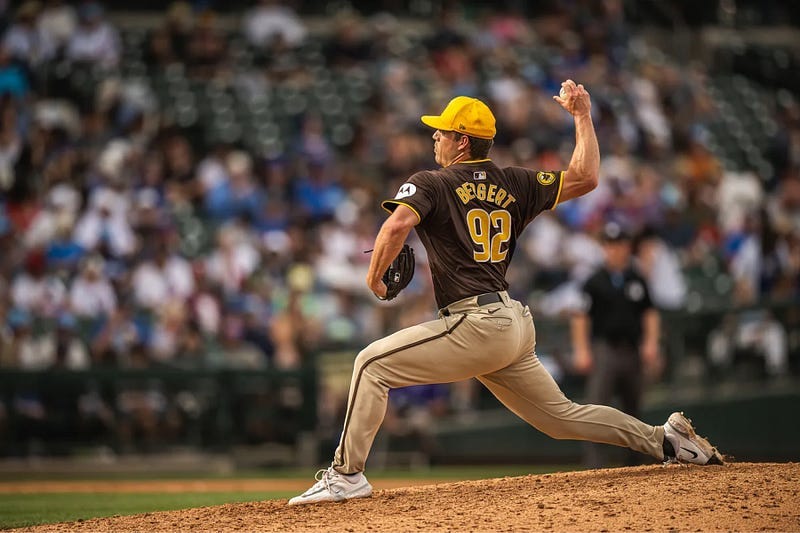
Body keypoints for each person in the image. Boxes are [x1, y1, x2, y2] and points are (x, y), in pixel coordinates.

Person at [289, 81, 723, 506]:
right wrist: (582, 117)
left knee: (370, 364)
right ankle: (665, 440)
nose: (435, 136)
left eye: (442, 131)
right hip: (512, 324)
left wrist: (374, 278)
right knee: (561, 417)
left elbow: (396, 224)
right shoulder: (515, 181)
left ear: (462, 141)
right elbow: (587, 177)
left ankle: (346, 476)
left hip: (475, 324)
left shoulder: (432, 182)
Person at [571, 222, 663, 467]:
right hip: (605, 349)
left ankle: (637, 464)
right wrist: (582, 350)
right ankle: (595, 465)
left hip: (632, 349)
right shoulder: (594, 281)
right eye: (610, 245)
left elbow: (650, 313)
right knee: (596, 408)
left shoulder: (636, 278)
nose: (614, 250)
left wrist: (651, 342)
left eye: (619, 244)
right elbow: (580, 316)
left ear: (627, 247)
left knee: (634, 409)